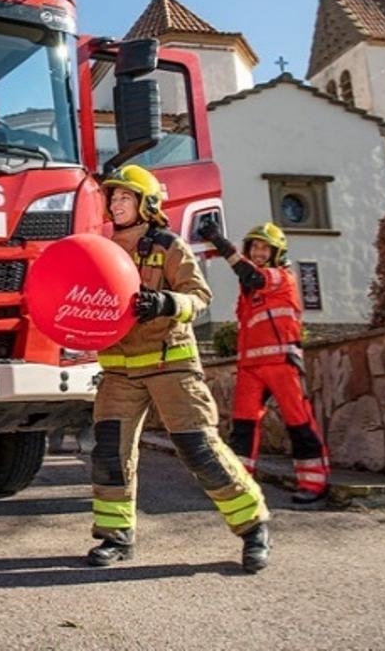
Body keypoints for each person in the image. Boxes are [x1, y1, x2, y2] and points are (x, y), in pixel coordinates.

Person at [87, 164, 271, 573]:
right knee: (109, 455)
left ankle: (253, 526)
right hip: (118, 369)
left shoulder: (168, 245)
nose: (115, 204)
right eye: (112, 198)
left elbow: (199, 296)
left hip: (170, 363)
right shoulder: (99, 246)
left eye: (124, 197)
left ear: (145, 203)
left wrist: (166, 303)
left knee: (198, 448)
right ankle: (115, 536)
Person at [200, 219, 331, 506]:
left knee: (298, 422)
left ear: (276, 253)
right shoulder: (248, 292)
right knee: (244, 426)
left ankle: (314, 481)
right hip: (251, 367)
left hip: (281, 362)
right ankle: (238, 482)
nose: (259, 252)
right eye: (255, 247)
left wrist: (220, 242)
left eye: (264, 248)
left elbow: (252, 275)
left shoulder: (280, 277)